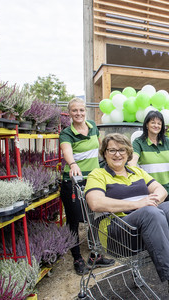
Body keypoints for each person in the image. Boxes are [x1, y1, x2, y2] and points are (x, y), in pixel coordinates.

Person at [85, 133, 169, 300]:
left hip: (145, 229)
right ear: (104, 152)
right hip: (117, 232)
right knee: (150, 212)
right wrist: (139, 204)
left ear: (128, 152)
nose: (117, 154)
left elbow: (162, 190)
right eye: (112, 150)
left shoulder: (137, 171)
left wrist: (153, 200)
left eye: (122, 149)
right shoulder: (98, 174)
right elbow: (95, 202)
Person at [59, 97, 114, 275]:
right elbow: (67, 150)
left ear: (85, 111)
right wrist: (73, 163)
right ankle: (76, 257)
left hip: (93, 180)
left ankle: (95, 255)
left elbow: (100, 147)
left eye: (81, 110)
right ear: (69, 113)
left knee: (95, 217)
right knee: (74, 221)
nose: (79, 113)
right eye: (75, 111)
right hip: (73, 182)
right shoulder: (66, 133)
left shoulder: (92, 126)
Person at [128, 111, 169, 201]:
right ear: (147, 125)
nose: (156, 125)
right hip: (150, 192)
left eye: (159, 123)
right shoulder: (139, 142)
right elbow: (133, 161)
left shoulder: (167, 142)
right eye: (153, 122)